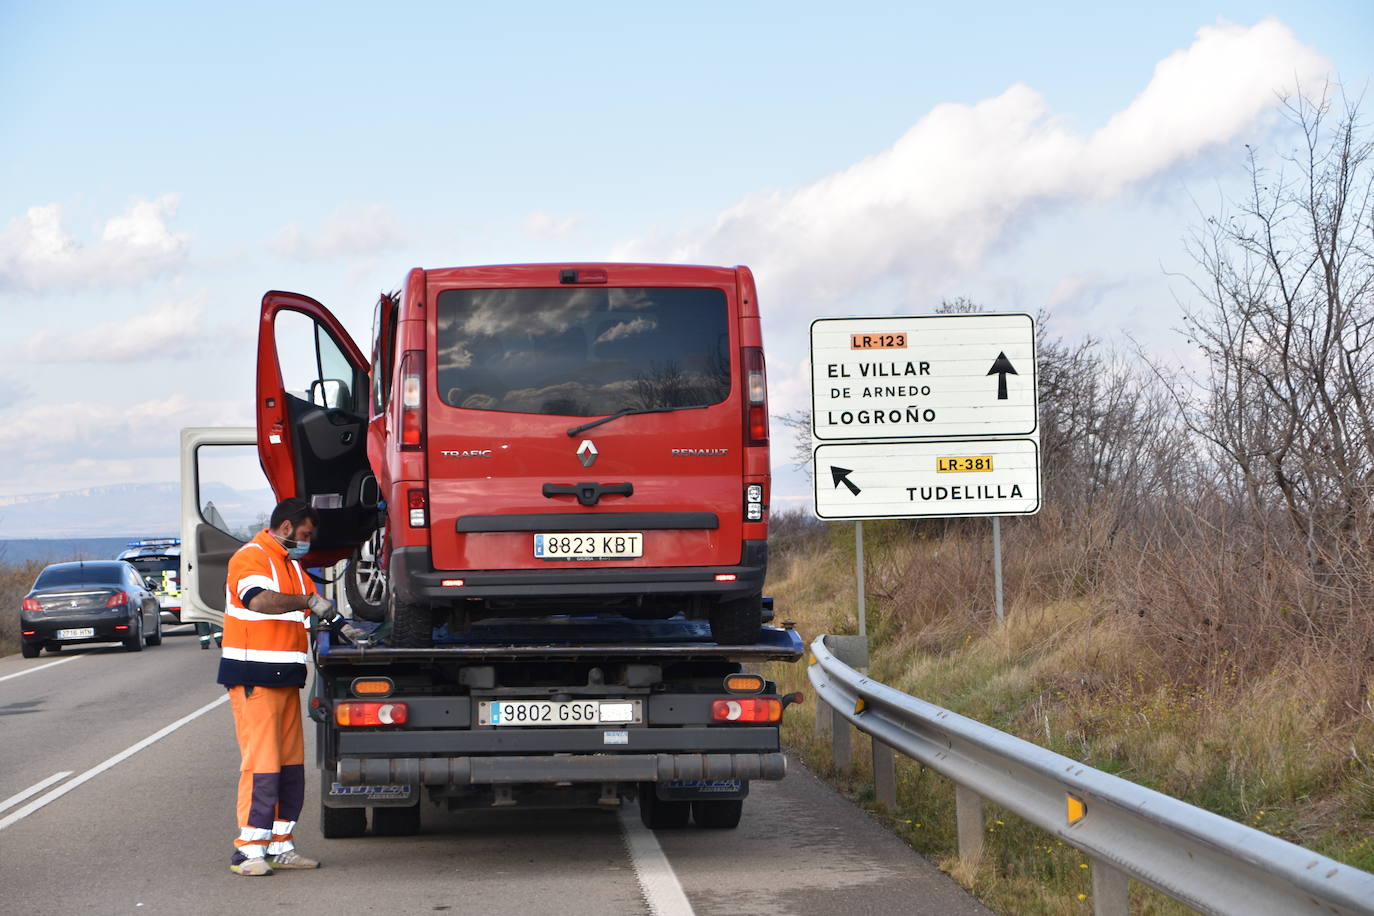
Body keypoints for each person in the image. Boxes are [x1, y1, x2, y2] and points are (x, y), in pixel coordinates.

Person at [218, 497, 344, 877]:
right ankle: (247, 850)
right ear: (286, 528)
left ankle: (279, 845)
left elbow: (314, 606)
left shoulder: (290, 564)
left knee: (289, 766)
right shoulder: (251, 557)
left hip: (285, 680)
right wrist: (308, 600)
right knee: (262, 765)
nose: (308, 542)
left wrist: (341, 625)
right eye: (305, 534)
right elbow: (259, 600)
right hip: (254, 676)